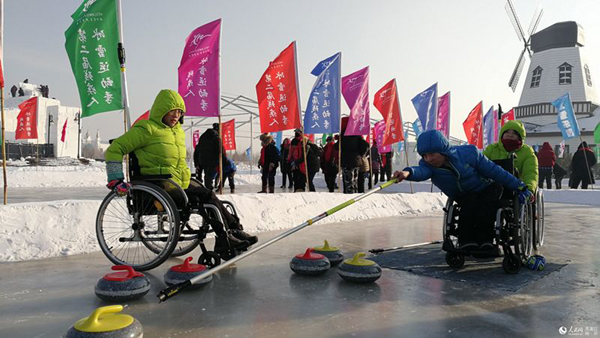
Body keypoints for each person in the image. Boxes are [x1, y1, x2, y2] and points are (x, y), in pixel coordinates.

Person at [104, 89, 257, 252]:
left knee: (209, 196)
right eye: (171, 111)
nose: (176, 115)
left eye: (179, 111)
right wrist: (116, 179)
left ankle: (234, 230)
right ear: (161, 111)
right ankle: (225, 237)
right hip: (160, 185)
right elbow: (115, 148)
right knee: (206, 197)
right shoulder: (146, 129)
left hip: (177, 183)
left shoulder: (176, 132)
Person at [393, 130, 531, 250]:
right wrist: (407, 173)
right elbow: (420, 171)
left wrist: (520, 186)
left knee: (485, 206)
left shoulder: (469, 153)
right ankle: (466, 242)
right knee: (468, 204)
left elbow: (495, 172)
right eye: (424, 156)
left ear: (443, 150)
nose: (428, 159)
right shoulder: (429, 166)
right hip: (464, 194)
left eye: (432, 154)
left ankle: (485, 242)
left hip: (487, 187)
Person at [483, 120, 538, 194]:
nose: (510, 135)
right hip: (491, 187)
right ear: (502, 134)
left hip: (516, 189)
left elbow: (530, 173)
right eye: (507, 132)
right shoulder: (491, 149)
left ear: (520, 137)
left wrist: (529, 188)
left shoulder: (527, 152)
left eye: (514, 133)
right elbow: (481, 165)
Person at [338, 117, 369, 194]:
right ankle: (354, 195)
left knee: (348, 181)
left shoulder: (343, 135)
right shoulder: (357, 134)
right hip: (356, 161)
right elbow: (366, 145)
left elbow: (337, 147)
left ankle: (348, 196)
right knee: (354, 179)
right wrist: (360, 154)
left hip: (346, 161)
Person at [198, 123, 221, 190]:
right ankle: (209, 190)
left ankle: (207, 189)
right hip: (213, 160)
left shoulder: (203, 136)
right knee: (210, 176)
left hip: (203, 160)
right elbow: (219, 150)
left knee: (207, 175)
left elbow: (198, 148)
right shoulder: (216, 137)